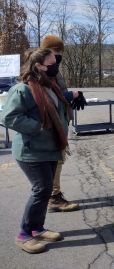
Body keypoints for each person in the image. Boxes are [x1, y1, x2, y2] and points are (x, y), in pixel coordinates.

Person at [1, 48, 69, 253]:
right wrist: (37, 126)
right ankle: (24, 234)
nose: (55, 65)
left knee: (46, 190)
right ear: (38, 65)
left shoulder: (48, 85)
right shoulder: (23, 89)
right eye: (51, 63)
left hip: (48, 147)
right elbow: (8, 117)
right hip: (31, 150)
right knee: (41, 190)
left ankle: (37, 228)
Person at [40, 35, 84, 213]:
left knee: (58, 160)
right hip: (52, 122)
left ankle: (52, 194)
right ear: (48, 50)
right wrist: (70, 95)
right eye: (57, 51)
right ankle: (53, 196)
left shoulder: (52, 67)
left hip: (60, 119)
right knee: (56, 160)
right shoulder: (43, 69)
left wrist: (71, 96)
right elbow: (48, 95)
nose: (60, 55)